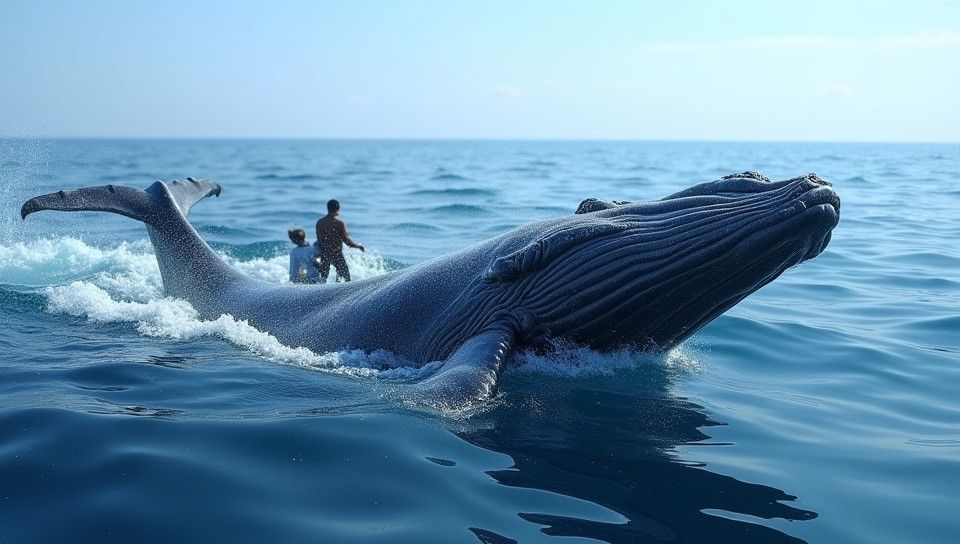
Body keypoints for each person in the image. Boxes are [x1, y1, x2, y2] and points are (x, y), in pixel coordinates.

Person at [315, 199, 364, 282]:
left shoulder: (320, 222)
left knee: (323, 278)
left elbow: (319, 239)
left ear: (328, 208)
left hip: (325, 253)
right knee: (346, 278)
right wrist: (357, 246)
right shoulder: (339, 223)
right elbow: (347, 240)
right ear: (338, 208)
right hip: (336, 254)